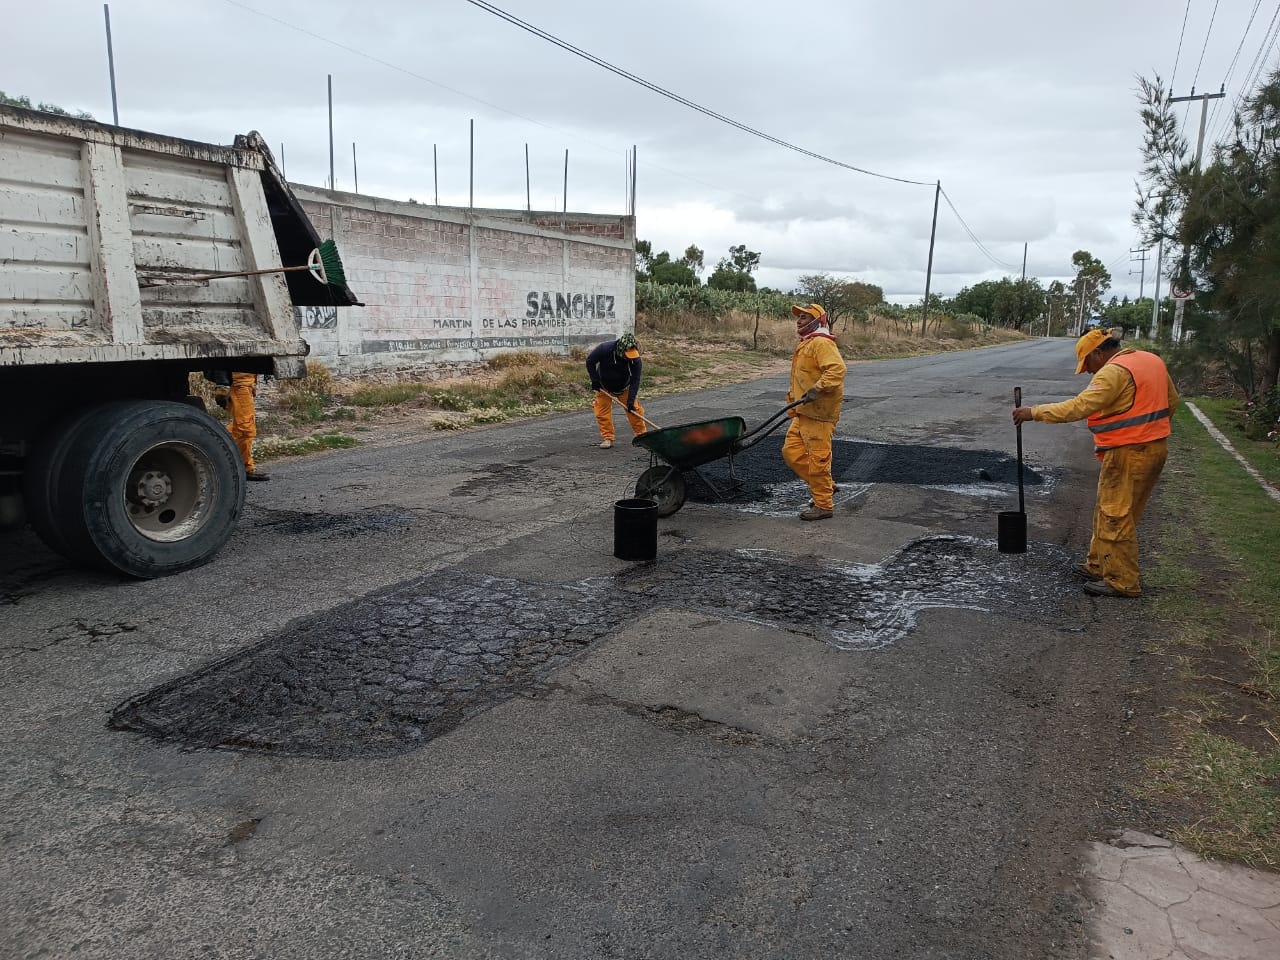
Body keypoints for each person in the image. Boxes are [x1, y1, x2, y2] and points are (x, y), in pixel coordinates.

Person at [1013, 329, 1179, 598]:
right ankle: (1099, 563)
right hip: (1153, 449)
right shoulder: (1151, 360)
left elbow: (1079, 407)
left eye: (1088, 364)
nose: (1088, 371)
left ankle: (1122, 581)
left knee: (1115, 514)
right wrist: (1151, 430)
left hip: (1129, 452)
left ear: (1098, 353)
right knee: (1116, 510)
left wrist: (1033, 412)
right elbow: (1172, 402)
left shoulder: (1114, 372)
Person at [783, 303, 847, 520]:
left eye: (804, 317)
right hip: (804, 410)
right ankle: (827, 486)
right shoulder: (807, 343)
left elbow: (837, 369)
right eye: (799, 317)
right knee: (791, 452)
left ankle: (823, 505)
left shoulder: (821, 343)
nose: (799, 320)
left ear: (818, 320)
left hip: (819, 413)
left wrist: (818, 389)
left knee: (818, 459)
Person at [586, 332, 646, 449]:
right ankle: (607, 438)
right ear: (620, 349)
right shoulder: (605, 349)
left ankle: (642, 436)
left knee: (635, 411)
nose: (630, 357)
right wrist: (595, 380)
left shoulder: (636, 360)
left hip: (625, 387)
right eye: (627, 354)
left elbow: (635, 380)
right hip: (604, 386)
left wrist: (630, 399)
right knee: (602, 413)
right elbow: (590, 361)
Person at [208, 369, 270, 481]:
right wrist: (222, 384)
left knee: (241, 426)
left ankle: (214, 452)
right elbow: (222, 357)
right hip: (239, 383)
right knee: (245, 428)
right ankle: (242, 467)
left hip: (245, 382)